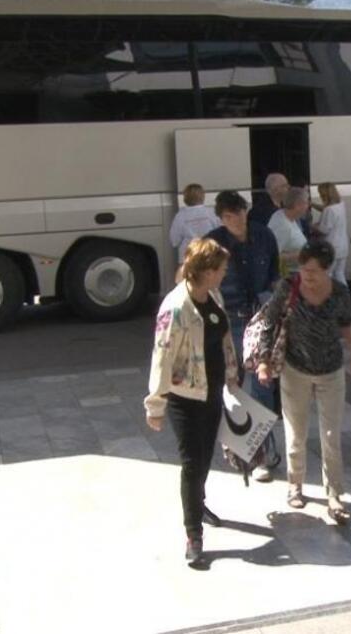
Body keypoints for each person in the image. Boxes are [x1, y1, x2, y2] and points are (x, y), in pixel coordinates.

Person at [145, 238, 239, 569]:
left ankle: (198, 503)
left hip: (212, 392)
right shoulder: (175, 308)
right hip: (184, 398)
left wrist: (231, 372)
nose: (225, 273)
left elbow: (224, 337)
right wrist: (156, 405)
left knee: (204, 456)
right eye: (222, 269)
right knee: (191, 462)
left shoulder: (213, 295)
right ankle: (193, 534)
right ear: (208, 272)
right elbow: (162, 357)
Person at [256, 240, 351, 525]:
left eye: (314, 271)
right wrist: (264, 360)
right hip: (295, 368)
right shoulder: (288, 287)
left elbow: (346, 323)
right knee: (296, 432)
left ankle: (335, 494)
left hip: (330, 369)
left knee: (331, 436)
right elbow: (269, 322)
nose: (308, 276)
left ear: (327, 269)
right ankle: (296, 484)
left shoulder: (339, 292)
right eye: (304, 269)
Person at [205, 191, 281, 482]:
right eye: (227, 216)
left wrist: (276, 298)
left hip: (260, 316)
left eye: (237, 213)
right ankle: (240, 448)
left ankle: (263, 452)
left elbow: (273, 270)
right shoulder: (213, 241)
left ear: (245, 210)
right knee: (231, 385)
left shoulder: (264, 236)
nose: (234, 220)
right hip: (230, 318)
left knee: (263, 383)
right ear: (221, 218)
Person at [169, 183, 221, 263]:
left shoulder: (180, 216)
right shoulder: (211, 213)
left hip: (188, 256)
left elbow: (174, 240)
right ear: (202, 196)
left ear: (185, 197)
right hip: (209, 254)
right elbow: (220, 233)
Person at [312, 182, 350, 284]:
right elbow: (325, 209)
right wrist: (312, 204)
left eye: (320, 193)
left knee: (327, 274)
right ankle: (345, 297)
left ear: (325, 195)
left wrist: (312, 226)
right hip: (343, 246)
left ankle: (328, 297)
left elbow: (324, 230)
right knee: (339, 273)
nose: (319, 195)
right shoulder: (340, 204)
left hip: (331, 247)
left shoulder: (329, 210)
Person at [267, 186, 310, 275]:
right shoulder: (283, 226)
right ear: (298, 205)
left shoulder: (285, 215)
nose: (308, 206)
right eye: (306, 202)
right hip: (290, 276)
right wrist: (298, 255)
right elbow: (272, 255)